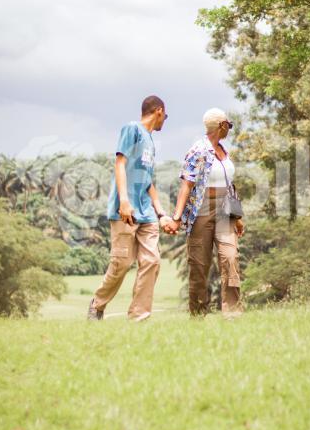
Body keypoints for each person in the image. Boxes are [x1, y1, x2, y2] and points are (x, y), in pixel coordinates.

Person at [87, 96, 172, 322]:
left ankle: (138, 317)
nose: (165, 120)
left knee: (152, 262)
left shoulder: (151, 142)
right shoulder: (132, 129)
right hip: (126, 211)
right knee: (121, 263)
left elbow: (148, 180)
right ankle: (97, 304)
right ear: (159, 111)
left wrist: (161, 212)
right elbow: (120, 163)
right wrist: (124, 200)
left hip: (147, 212)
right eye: (165, 116)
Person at [165, 108, 244, 318]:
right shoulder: (198, 150)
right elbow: (186, 185)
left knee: (230, 258)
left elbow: (230, 185)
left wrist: (237, 219)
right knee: (199, 267)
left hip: (225, 212)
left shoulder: (224, 151)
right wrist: (176, 218)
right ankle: (198, 315)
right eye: (228, 125)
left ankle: (234, 314)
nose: (229, 129)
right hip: (201, 213)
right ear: (222, 126)